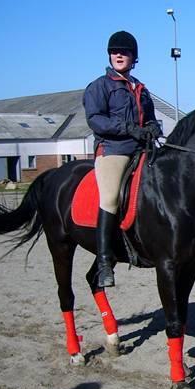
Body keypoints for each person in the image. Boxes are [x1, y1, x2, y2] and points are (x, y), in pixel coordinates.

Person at [83, 30, 163, 288]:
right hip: (113, 150)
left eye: (124, 51)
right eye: (115, 51)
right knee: (111, 198)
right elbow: (95, 119)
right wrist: (127, 128)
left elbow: (149, 118)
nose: (119, 54)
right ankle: (105, 261)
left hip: (141, 148)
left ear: (133, 57)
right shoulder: (99, 86)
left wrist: (152, 128)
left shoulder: (140, 88)